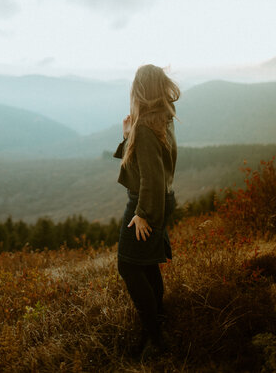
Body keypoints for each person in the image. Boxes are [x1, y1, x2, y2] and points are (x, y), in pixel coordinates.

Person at [113, 64, 180, 361]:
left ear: (140, 90)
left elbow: (150, 177)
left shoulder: (146, 126)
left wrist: (141, 214)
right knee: (146, 264)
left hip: (147, 202)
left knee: (128, 265)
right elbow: (146, 165)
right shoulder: (163, 119)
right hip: (162, 200)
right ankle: (160, 320)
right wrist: (128, 136)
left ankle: (155, 337)